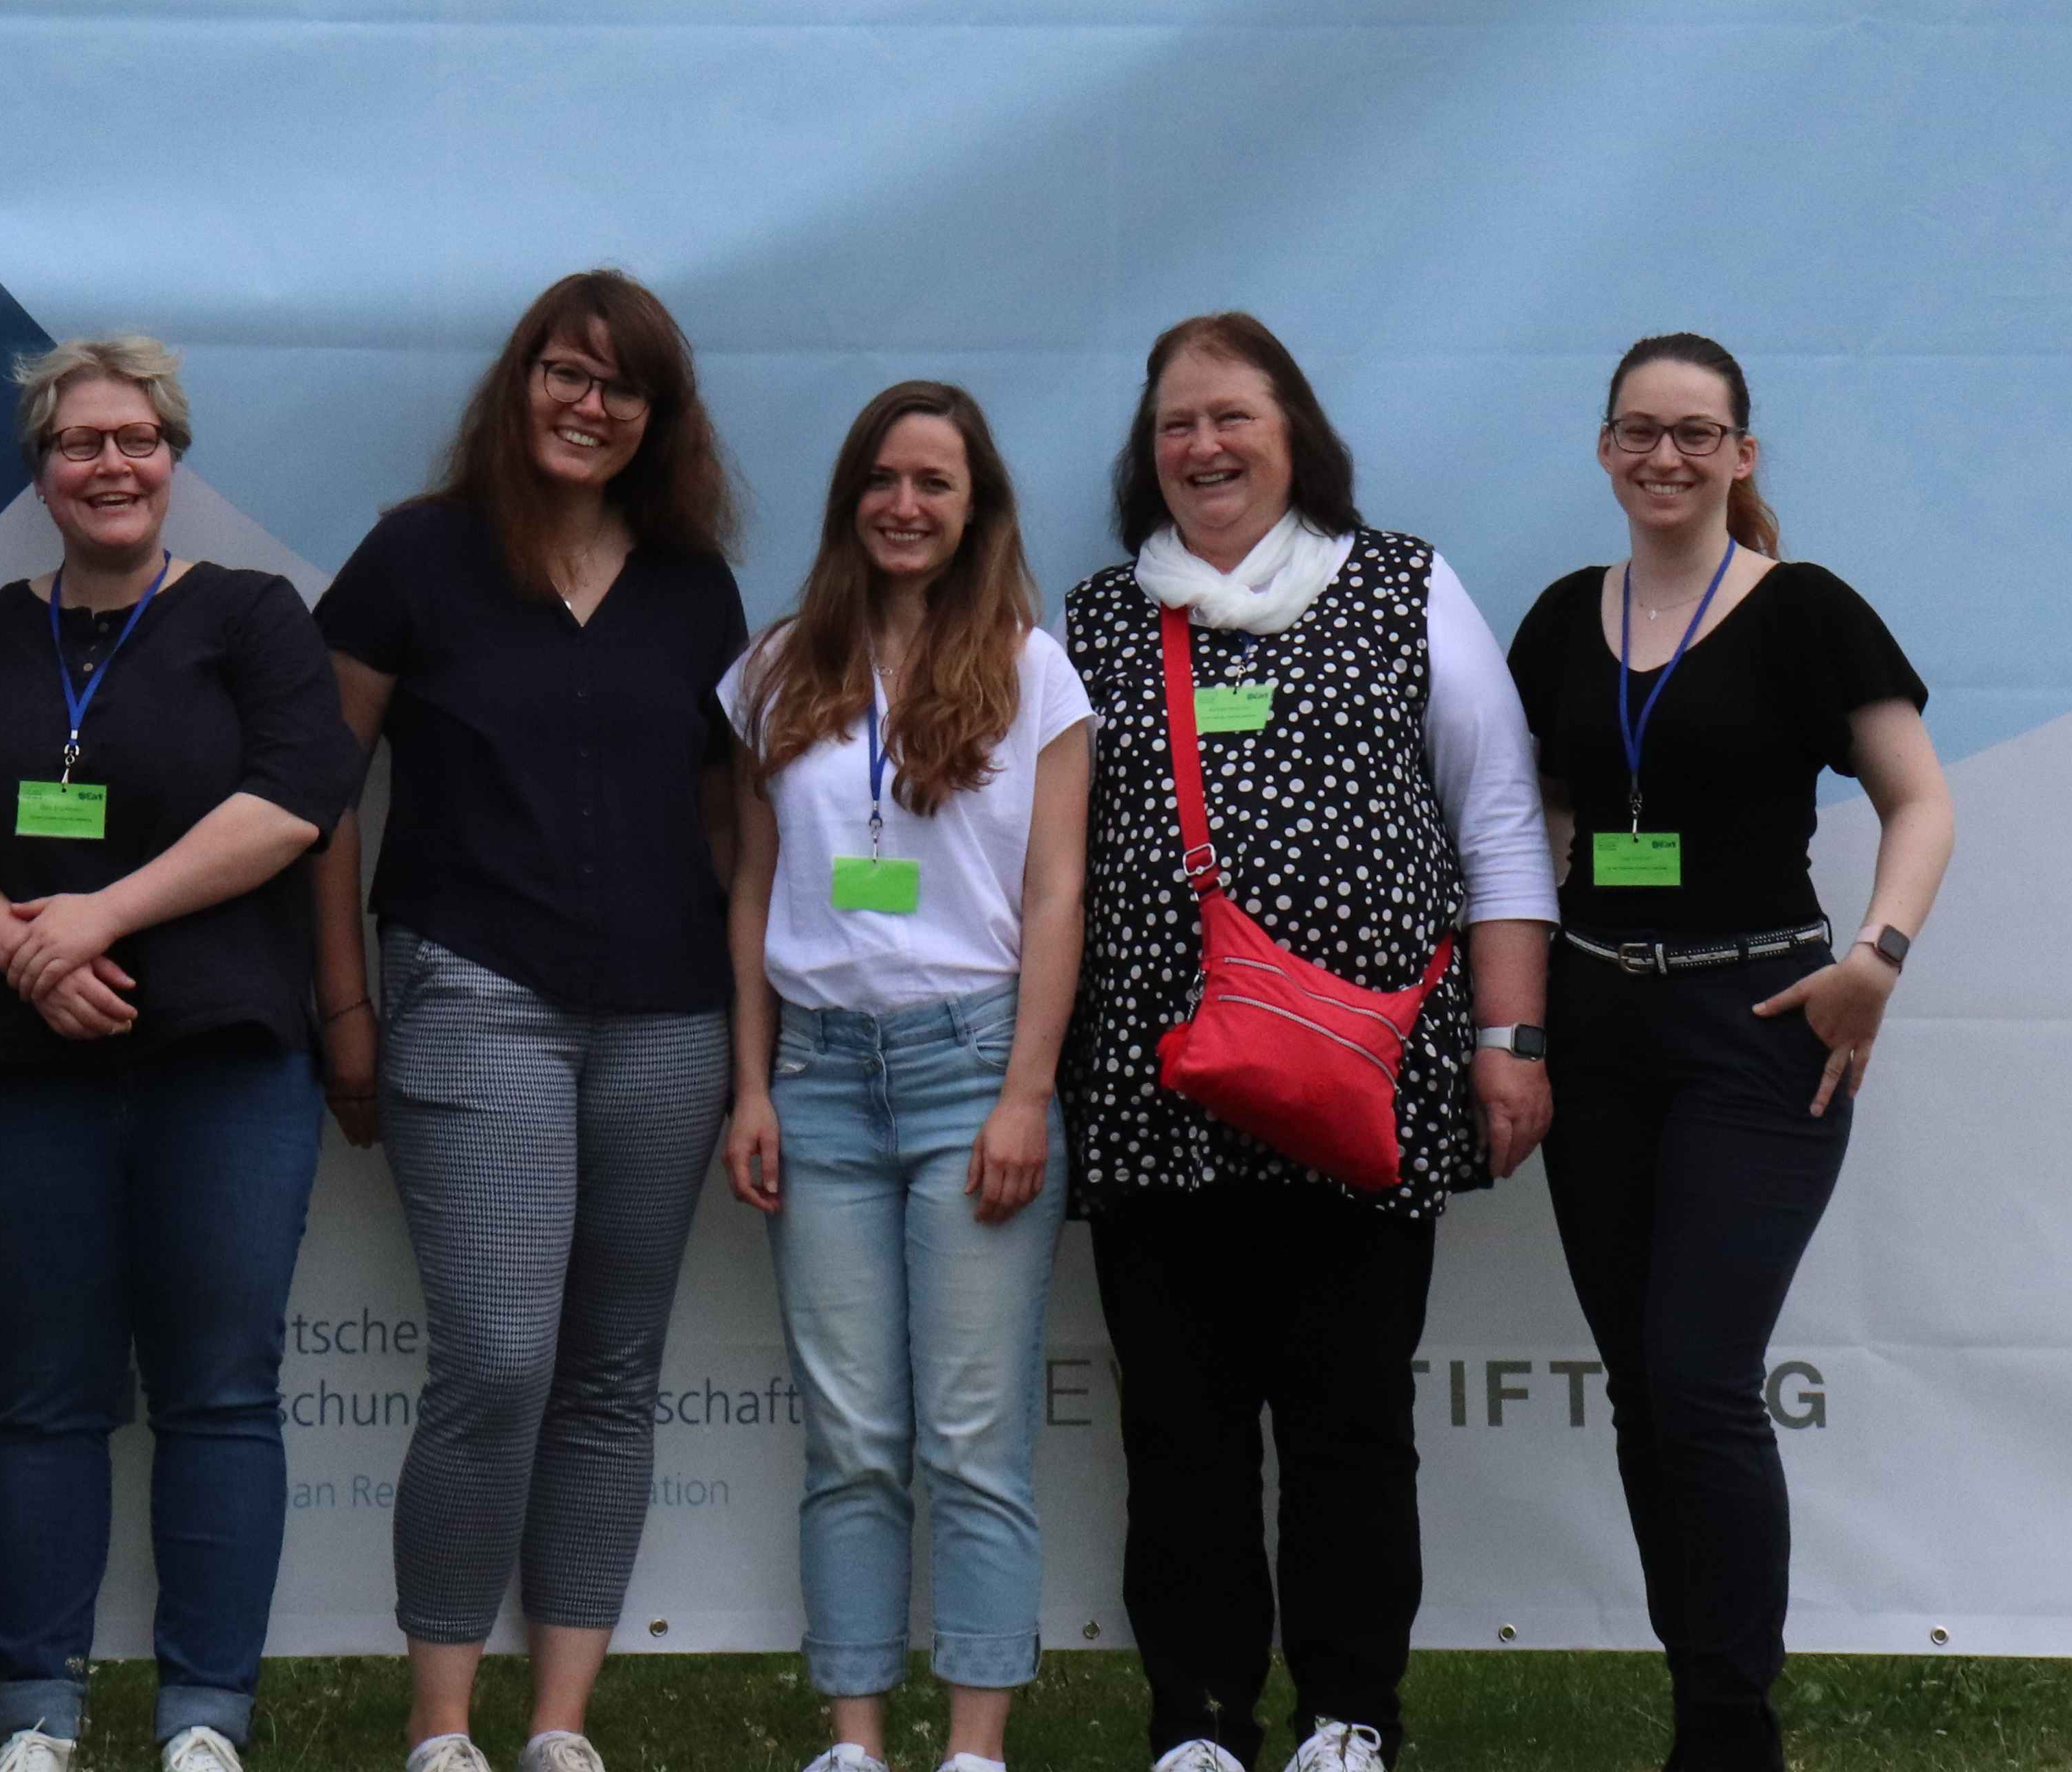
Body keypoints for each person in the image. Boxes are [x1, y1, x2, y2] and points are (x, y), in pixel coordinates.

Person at [1059, 311, 1555, 1772]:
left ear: (1297, 436)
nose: (1204, 446)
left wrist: (1513, 1036)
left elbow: (1501, 815)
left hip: (1364, 1085)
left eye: (1234, 417)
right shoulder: (1095, 619)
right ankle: (1198, 1719)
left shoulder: (1400, 582)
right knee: (1179, 1426)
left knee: (1349, 1420)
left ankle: (1353, 1715)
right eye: (1176, 425)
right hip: (1160, 1094)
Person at [308, 271, 747, 1772]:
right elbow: (317, 799)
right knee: (497, 1358)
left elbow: (723, 816)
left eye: (624, 387)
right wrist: (346, 1006)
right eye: (568, 370)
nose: (590, 403)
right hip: (471, 993)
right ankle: (441, 1724)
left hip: (668, 1016)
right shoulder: (414, 555)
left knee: (611, 1368)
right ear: (521, 381)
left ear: (655, 420)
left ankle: (560, 1723)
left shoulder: (694, 583)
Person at [1501, 332, 1953, 1772]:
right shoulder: (1569, 617)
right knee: (1644, 1383)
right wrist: (1521, 1008)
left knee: (1699, 1375)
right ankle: (1702, 1695)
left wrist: (1872, 961)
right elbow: (1542, 819)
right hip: (1598, 1021)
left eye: (1698, 433)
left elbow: (1921, 802)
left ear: (1743, 455)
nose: (1667, 456)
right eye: (1640, 430)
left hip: (1757, 1025)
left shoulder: (1806, 610)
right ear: (1604, 447)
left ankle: (1731, 1737)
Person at [0, 337, 360, 1772]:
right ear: (40, 471)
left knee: (221, 1385)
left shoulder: (253, 615)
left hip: (225, 1054)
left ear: (176, 457)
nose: (109, 464)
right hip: (14, 1058)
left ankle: (204, 1717)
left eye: (136, 438)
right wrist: (19, 952)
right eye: (77, 442)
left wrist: (94, 915)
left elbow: (295, 798)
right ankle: (37, 1709)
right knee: (44, 1389)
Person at [718, 384, 1090, 1772]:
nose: (907, 504)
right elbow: (755, 882)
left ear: (977, 504)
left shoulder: (1035, 671)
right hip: (814, 1073)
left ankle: (976, 1745)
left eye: (937, 480)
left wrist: (1024, 1094)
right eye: (884, 477)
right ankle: (857, 1737)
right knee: (855, 1437)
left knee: (975, 1434)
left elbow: (1057, 896)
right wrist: (749, 1084)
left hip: (972, 1066)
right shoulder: (772, 668)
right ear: (850, 497)